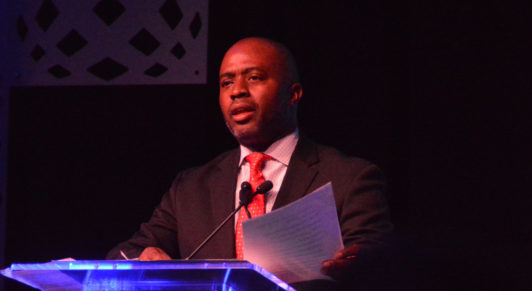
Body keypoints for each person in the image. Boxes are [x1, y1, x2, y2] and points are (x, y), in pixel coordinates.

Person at [108, 37, 392, 272]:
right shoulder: (191, 188)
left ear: (293, 94)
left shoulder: (350, 179)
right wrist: (147, 254)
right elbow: (125, 254)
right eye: (226, 83)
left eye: (254, 78)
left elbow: (374, 270)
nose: (237, 92)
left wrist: (353, 266)